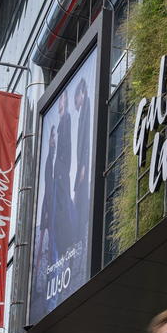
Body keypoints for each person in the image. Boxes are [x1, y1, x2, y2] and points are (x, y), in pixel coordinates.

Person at [73, 77, 91, 239]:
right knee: (79, 193)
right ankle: (79, 232)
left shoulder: (87, 106)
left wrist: (84, 165)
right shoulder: (83, 110)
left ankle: (80, 232)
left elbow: (85, 137)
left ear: (80, 94)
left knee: (81, 193)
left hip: (84, 163)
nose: (75, 104)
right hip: (82, 162)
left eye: (76, 99)